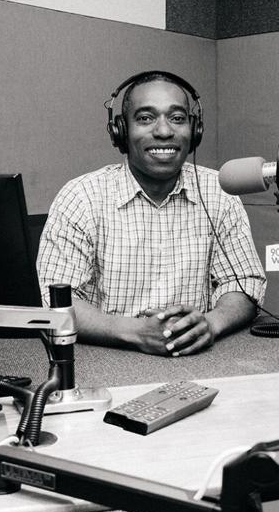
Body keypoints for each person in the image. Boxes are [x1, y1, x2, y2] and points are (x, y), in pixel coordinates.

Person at [36, 71, 266, 357]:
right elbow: (57, 301)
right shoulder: (81, 197)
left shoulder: (219, 192)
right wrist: (135, 332)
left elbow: (244, 283)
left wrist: (210, 324)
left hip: (198, 360)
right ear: (120, 131)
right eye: (146, 118)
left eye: (177, 118)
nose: (164, 131)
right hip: (103, 361)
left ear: (195, 131)